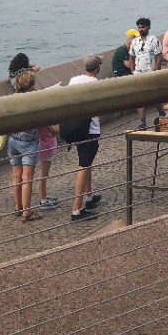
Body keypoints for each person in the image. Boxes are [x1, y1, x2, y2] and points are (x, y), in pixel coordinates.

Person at [67, 55, 103, 221]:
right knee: (84, 165)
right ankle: (77, 209)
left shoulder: (74, 80)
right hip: (91, 130)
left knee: (86, 162)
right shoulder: (95, 83)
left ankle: (89, 197)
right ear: (97, 69)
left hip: (77, 129)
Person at [8, 70, 41, 221]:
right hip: (28, 142)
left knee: (16, 175)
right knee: (27, 177)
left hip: (13, 140)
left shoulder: (12, 98)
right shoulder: (32, 99)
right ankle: (27, 212)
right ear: (30, 85)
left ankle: (18, 206)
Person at [130, 17, 162, 129]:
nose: (141, 29)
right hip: (138, 74)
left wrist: (156, 72)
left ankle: (162, 112)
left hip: (150, 73)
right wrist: (133, 71)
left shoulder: (154, 40)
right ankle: (143, 123)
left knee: (153, 98)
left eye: (143, 27)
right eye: (139, 27)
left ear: (148, 27)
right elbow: (132, 57)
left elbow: (159, 57)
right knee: (141, 99)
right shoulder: (134, 42)